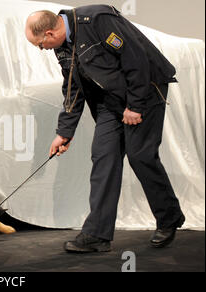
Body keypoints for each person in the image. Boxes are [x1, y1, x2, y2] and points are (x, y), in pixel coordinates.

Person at [25, 5, 185, 253]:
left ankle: (169, 217)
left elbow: (137, 59)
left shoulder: (97, 20)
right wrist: (64, 133)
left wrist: (135, 105)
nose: (42, 50)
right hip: (110, 101)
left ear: (49, 33)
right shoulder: (63, 46)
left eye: (40, 45)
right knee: (103, 156)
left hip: (144, 90)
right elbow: (72, 88)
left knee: (140, 155)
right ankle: (97, 234)